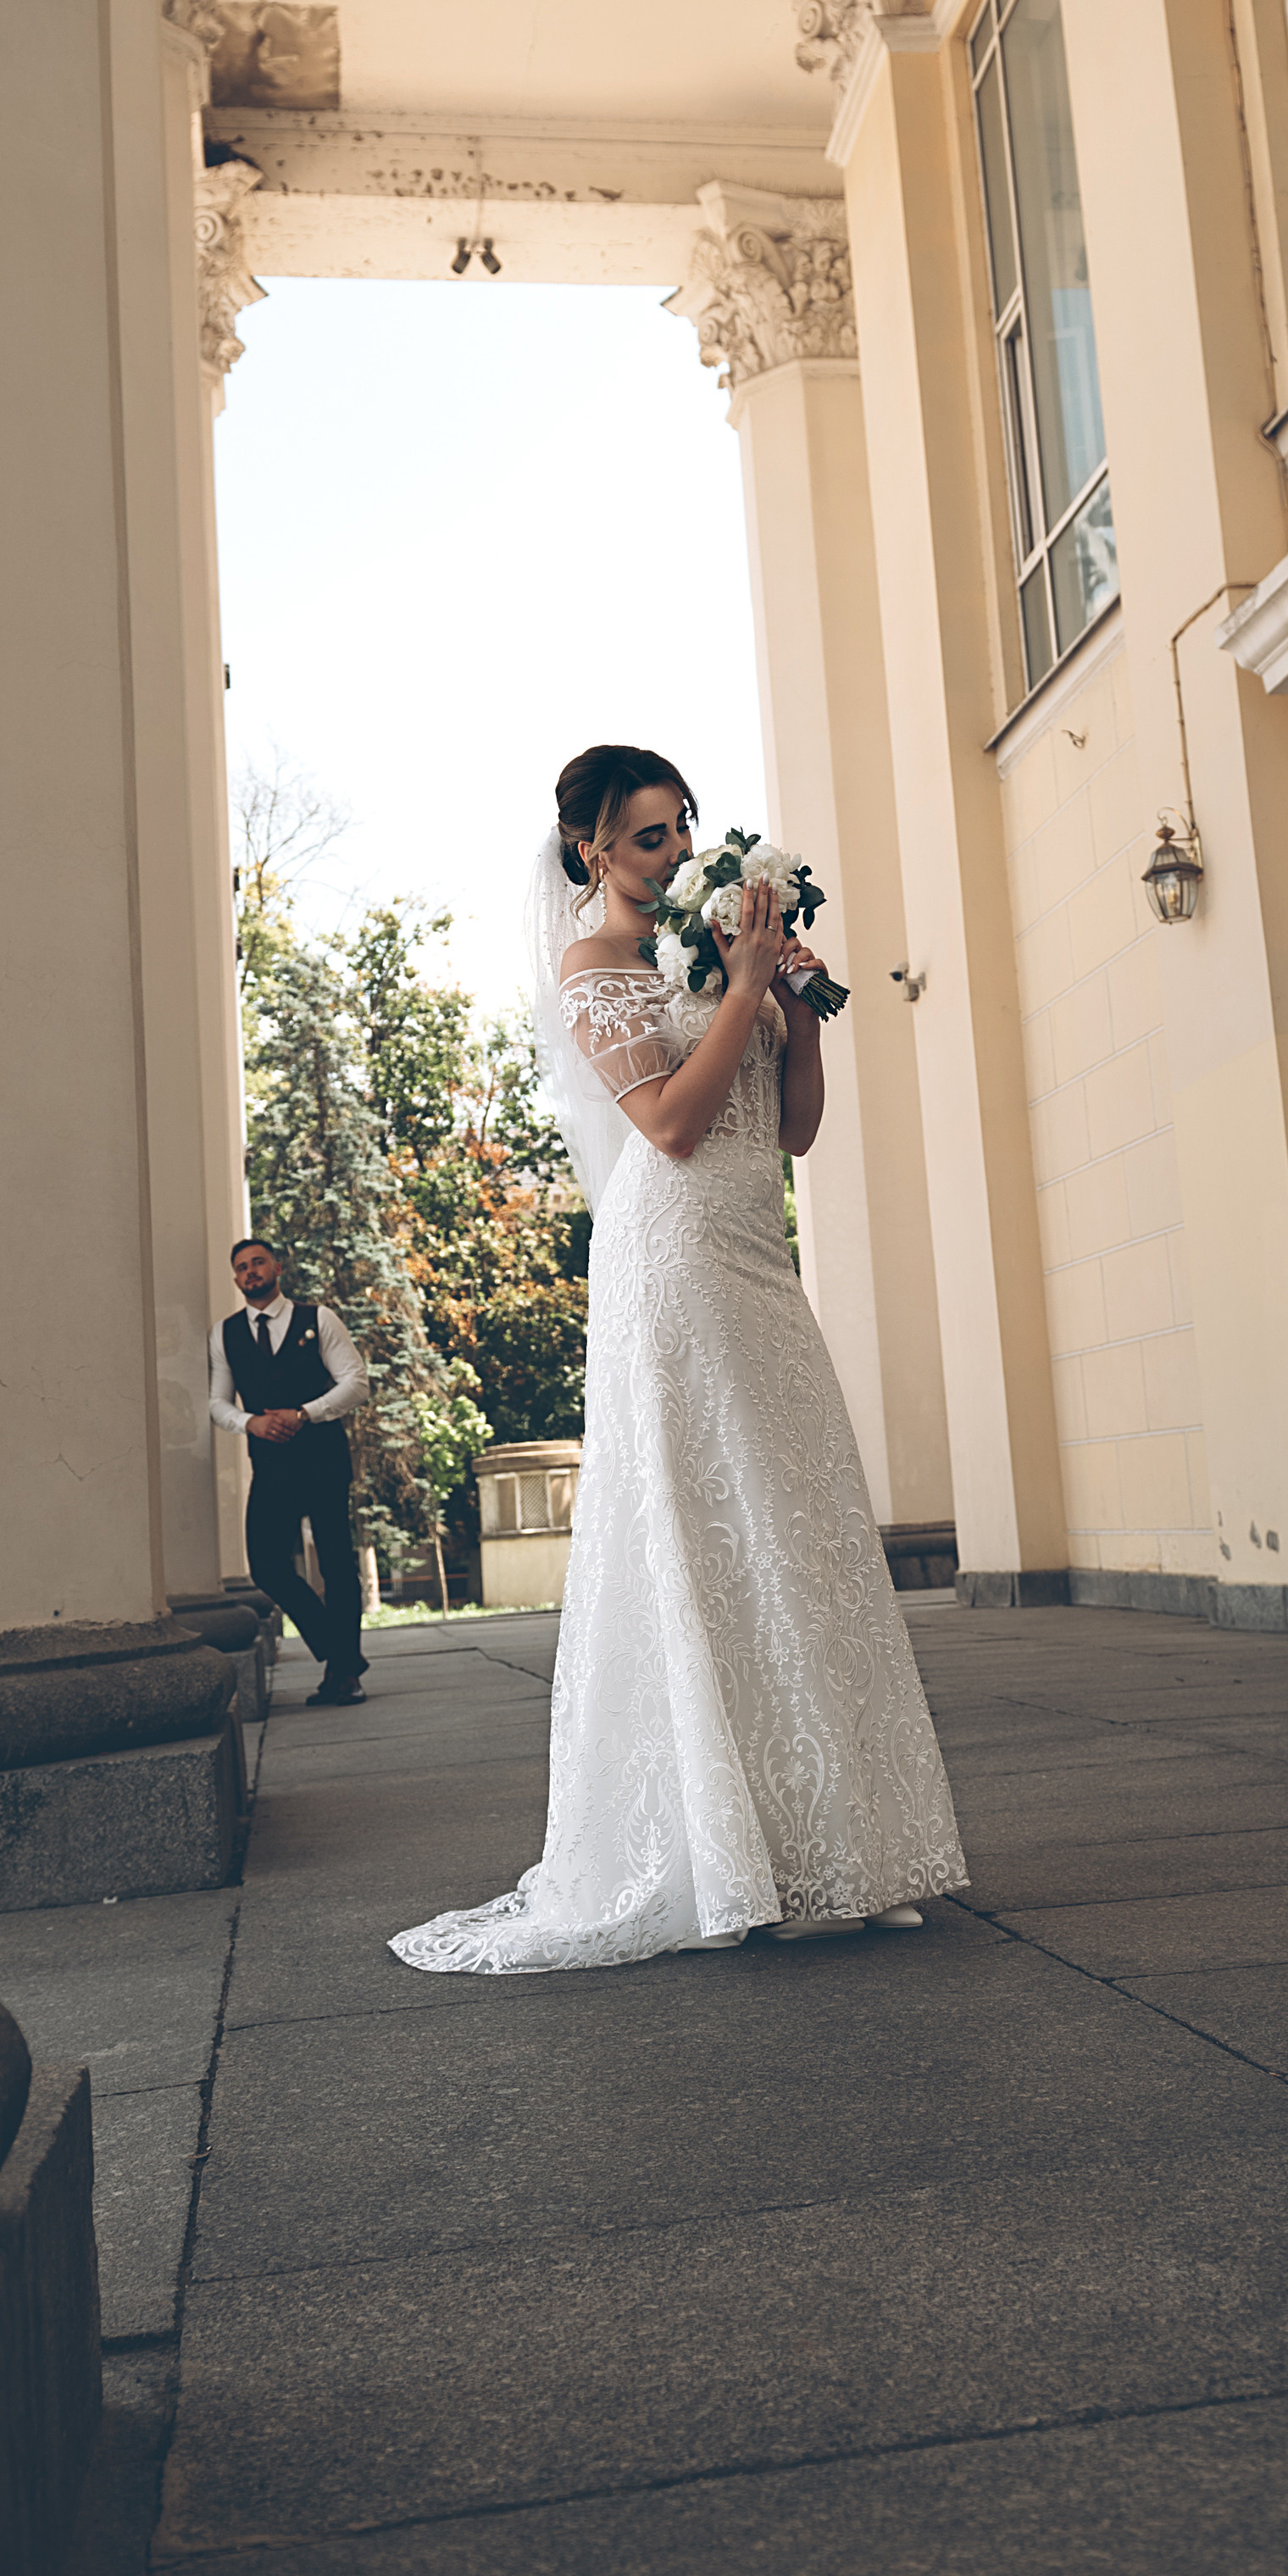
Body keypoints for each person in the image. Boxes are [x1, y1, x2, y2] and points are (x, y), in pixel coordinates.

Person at [390, 746, 967, 1974]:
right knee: (717, 1529)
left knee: (798, 1519)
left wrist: (793, 1014)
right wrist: (745, 978)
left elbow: (793, 1127)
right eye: (646, 837)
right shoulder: (593, 966)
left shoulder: (700, 952)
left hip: (758, 1249)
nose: (671, 854)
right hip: (678, 1261)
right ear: (592, 851)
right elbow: (664, 1123)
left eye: (681, 828)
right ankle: (731, 1859)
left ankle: (838, 1851)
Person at [209, 1237, 372, 1707]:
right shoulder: (225, 1334)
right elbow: (218, 1402)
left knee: (338, 1567)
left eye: (258, 1262)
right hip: (272, 1466)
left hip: (322, 1459)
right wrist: (251, 1422)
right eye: (241, 1267)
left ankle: (343, 1677)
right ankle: (341, 1652)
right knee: (265, 1565)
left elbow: (356, 1382)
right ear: (236, 1278)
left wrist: (306, 1412)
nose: (250, 1272)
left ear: (277, 1267)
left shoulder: (317, 1319)